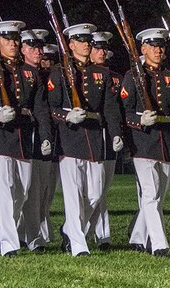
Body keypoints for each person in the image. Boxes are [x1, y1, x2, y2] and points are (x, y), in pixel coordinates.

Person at [0, 19, 52, 257]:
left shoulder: (29, 72)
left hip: (24, 138)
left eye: (14, 40)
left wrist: (45, 136)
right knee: (4, 192)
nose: (12, 43)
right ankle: (9, 244)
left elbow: (39, 108)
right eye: (7, 39)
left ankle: (0, 232)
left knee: (22, 192)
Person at [47, 23, 122, 256]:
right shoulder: (59, 72)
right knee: (73, 195)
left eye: (88, 41)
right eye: (81, 41)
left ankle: (70, 229)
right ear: (70, 45)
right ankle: (79, 245)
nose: (87, 45)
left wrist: (115, 132)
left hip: (95, 139)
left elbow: (109, 107)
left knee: (96, 193)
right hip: (70, 138)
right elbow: (51, 106)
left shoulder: (101, 73)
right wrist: (66, 115)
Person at [118, 27, 170, 257]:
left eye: (161, 46)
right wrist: (139, 120)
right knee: (150, 193)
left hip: (165, 140)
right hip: (142, 141)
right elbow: (124, 112)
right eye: (153, 46)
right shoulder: (132, 76)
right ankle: (159, 244)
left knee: (160, 193)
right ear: (143, 49)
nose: (158, 50)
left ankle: (138, 236)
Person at [19, 28, 55, 253]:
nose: (38, 52)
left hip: (40, 137)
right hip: (22, 136)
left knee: (39, 192)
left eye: (40, 48)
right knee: (24, 192)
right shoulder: (17, 72)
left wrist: (46, 137)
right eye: (32, 47)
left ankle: (33, 235)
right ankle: (23, 234)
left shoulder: (45, 75)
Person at [89, 34, 120, 250]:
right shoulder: (84, 75)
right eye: (97, 48)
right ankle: (100, 234)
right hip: (92, 134)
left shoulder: (115, 77)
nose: (101, 52)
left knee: (103, 188)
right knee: (95, 189)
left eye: (104, 48)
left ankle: (100, 234)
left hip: (109, 135)